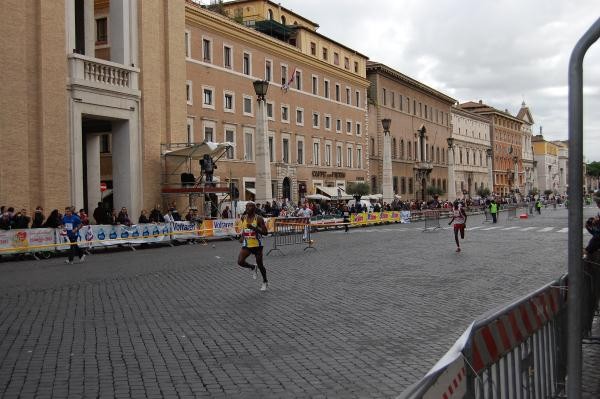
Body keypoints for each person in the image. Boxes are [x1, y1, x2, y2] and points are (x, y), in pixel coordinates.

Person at [237, 202, 269, 291]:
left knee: (260, 265)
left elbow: (265, 233)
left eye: (250, 207)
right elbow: (244, 229)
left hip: (257, 245)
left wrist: (254, 228)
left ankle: (265, 281)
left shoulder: (259, 218)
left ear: (254, 208)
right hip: (247, 244)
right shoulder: (243, 217)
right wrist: (242, 237)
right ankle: (252, 267)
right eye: (246, 207)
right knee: (240, 261)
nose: (247, 208)